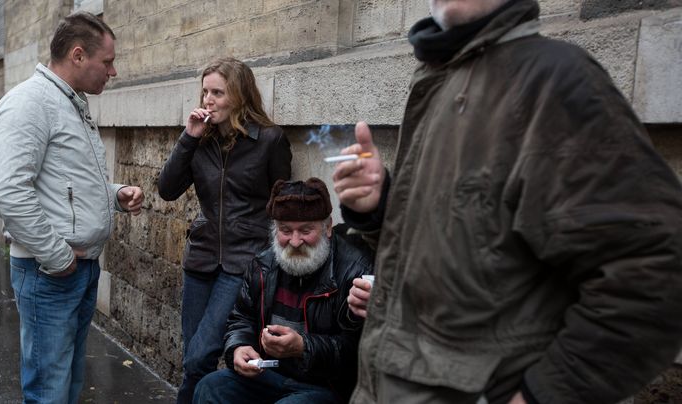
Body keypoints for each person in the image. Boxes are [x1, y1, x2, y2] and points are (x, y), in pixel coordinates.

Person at [332, 0, 682, 403]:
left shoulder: (552, 80)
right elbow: (460, 253)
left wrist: (540, 396)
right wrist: (378, 207)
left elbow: (656, 274)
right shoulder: (439, 82)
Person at [0, 11, 145, 404]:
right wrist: (58, 257)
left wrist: (115, 195)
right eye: (107, 61)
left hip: (77, 269)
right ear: (78, 55)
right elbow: (7, 191)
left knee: (67, 385)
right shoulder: (29, 104)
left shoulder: (69, 102)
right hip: (50, 273)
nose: (113, 71)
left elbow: (63, 183)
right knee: (49, 392)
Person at [158, 57, 292, 403]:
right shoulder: (200, 139)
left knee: (200, 355)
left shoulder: (269, 140)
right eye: (205, 92)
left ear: (240, 96)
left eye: (217, 92)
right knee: (195, 360)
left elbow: (283, 203)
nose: (208, 100)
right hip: (201, 259)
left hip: (244, 261)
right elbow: (167, 189)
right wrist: (188, 138)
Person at [192, 177, 374, 403]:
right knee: (210, 388)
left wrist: (303, 347)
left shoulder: (354, 270)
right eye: (285, 230)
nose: (295, 241)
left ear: (327, 228)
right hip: (268, 375)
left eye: (306, 230)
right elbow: (241, 318)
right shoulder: (263, 265)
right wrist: (239, 347)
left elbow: (356, 350)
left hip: (324, 386)